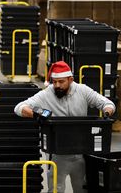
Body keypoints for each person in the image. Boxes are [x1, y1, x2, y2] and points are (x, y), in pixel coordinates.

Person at [14, 61, 115, 193]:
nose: (57, 85)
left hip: (81, 152)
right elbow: (19, 107)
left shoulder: (83, 90)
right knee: (56, 189)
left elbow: (107, 103)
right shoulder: (47, 94)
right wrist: (35, 114)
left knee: (82, 188)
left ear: (71, 79)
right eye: (54, 82)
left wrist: (106, 112)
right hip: (57, 154)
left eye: (61, 82)